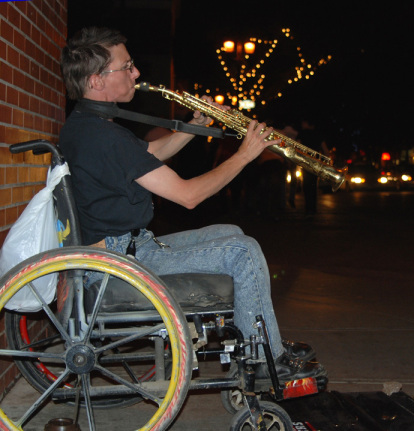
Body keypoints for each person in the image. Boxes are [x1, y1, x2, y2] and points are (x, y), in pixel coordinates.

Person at [58, 27, 326, 381]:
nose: (136, 73)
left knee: (231, 232)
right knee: (242, 251)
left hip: (122, 247)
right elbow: (188, 196)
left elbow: (148, 155)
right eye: (127, 67)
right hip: (121, 260)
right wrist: (245, 155)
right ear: (96, 81)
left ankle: (259, 341)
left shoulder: (87, 125)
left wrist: (193, 127)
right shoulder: (105, 137)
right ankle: (265, 359)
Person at [298, 118, 330, 216]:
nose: (302, 124)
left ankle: (308, 208)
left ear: (307, 123)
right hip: (316, 163)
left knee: (306, 186)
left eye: (303, 122)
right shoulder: (318, 134)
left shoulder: (302, 134)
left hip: (305, 162)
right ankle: (313, 208)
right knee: (313, 186)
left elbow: (297, 146)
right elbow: (326, 151)